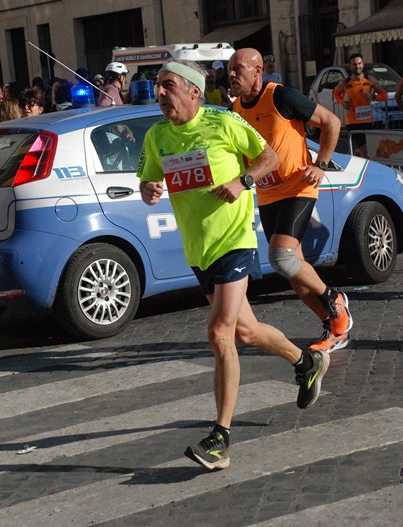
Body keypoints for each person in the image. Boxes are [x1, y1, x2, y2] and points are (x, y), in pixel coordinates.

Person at [137, 59, 330, 471]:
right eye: (157, 86)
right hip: (198, 249)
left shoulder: (223, 122)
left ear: (192, 91)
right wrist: (149, 189)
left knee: (219, 331)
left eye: (167, 86)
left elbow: (269, 159)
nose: (159, 93)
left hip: (234, 241)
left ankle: (220, 438)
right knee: (245, 330)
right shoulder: (156, 136)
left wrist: (243, 181)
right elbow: (147, 183)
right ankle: (305, 362)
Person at [229, 48, 352, 354]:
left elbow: (330, 123)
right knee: (293, 271)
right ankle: (336, 326)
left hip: (298, 187)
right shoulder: (233, 110)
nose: (231, 75)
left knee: (281, 256)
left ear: (258, 72)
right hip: (268, 194)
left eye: (238, 69)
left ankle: (335, 301)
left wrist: (320, 165)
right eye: (229, 70)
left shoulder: (281, 96)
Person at [333, 53, 388, 155]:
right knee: (365, 149)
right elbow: (335, 93)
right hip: (353, 122)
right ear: (350, 66)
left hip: (367, 121)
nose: (357, 66)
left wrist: (373, 97)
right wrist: (342, 103)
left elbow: (384, 95)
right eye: (354, 64)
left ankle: (352, 158)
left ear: (363, 64)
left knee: (364, 149)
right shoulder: (345, 83)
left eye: (359, 63)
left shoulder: (369, 80)